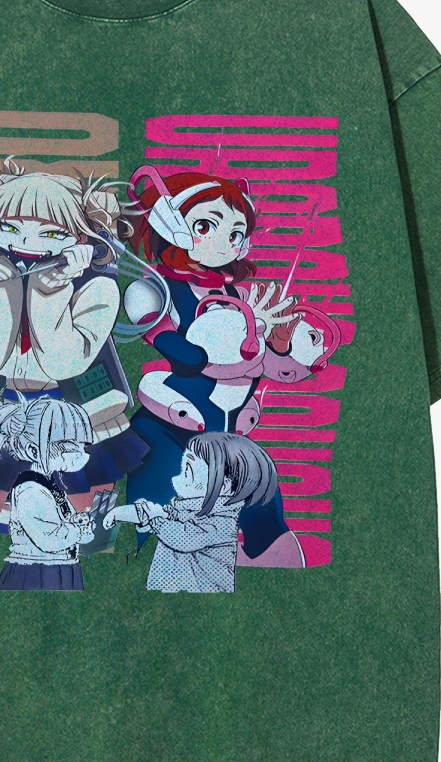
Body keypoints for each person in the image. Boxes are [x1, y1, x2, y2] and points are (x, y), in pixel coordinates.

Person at [119, 166, 340, 560]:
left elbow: (267, 363)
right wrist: (226, 336)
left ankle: (267, 554)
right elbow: (183, 351)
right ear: (171, 227)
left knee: (260, 497)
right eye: (207, 226)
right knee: (159, 509)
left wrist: (293, 349)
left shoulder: (238, 294)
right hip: (173, 423)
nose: (227, 242)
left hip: (226, 428)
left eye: (236, 233)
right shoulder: (154, 291)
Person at [0, 157, 148, 531]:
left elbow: (64, 363)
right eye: (11, 229)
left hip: (79, 411)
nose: (28, 244)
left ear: (83, 240)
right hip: (5, 408)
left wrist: (51, 290)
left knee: (82, 508)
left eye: (52, 234)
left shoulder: (98, 288)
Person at [105, 433, 279, 593]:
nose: (180, 475)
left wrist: (155, 519)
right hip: (170, 594)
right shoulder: (182, 509)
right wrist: (120, 513)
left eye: (188, 469)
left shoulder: (222, 523)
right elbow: (152, 514)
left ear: (224, 486)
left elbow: (183, 538)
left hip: (204, 594)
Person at [0, 394, 97, 592]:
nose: (80, 455)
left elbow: (66, 529)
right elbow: (50, 540)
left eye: (82, 447)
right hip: (36, 572)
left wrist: (80, 524)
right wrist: (77, 529)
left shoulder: (50, 486)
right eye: (70, 448)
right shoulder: (30, 490)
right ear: (34, 451)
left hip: (61, 569)